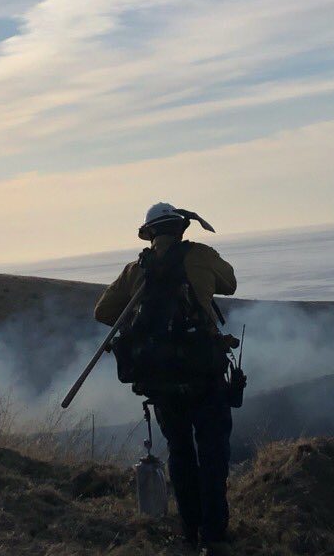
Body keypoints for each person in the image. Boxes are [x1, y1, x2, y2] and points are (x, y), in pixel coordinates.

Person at [94, 203, 238, 555]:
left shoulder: (135, 271)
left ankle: (190, 534)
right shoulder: (200, 255)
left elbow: (103, 313)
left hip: (161, 384)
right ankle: (215, 536)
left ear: (150, 234)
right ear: (180, 229)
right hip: (204, 378)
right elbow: (230, 284)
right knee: (213, 455)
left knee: (181, 454)